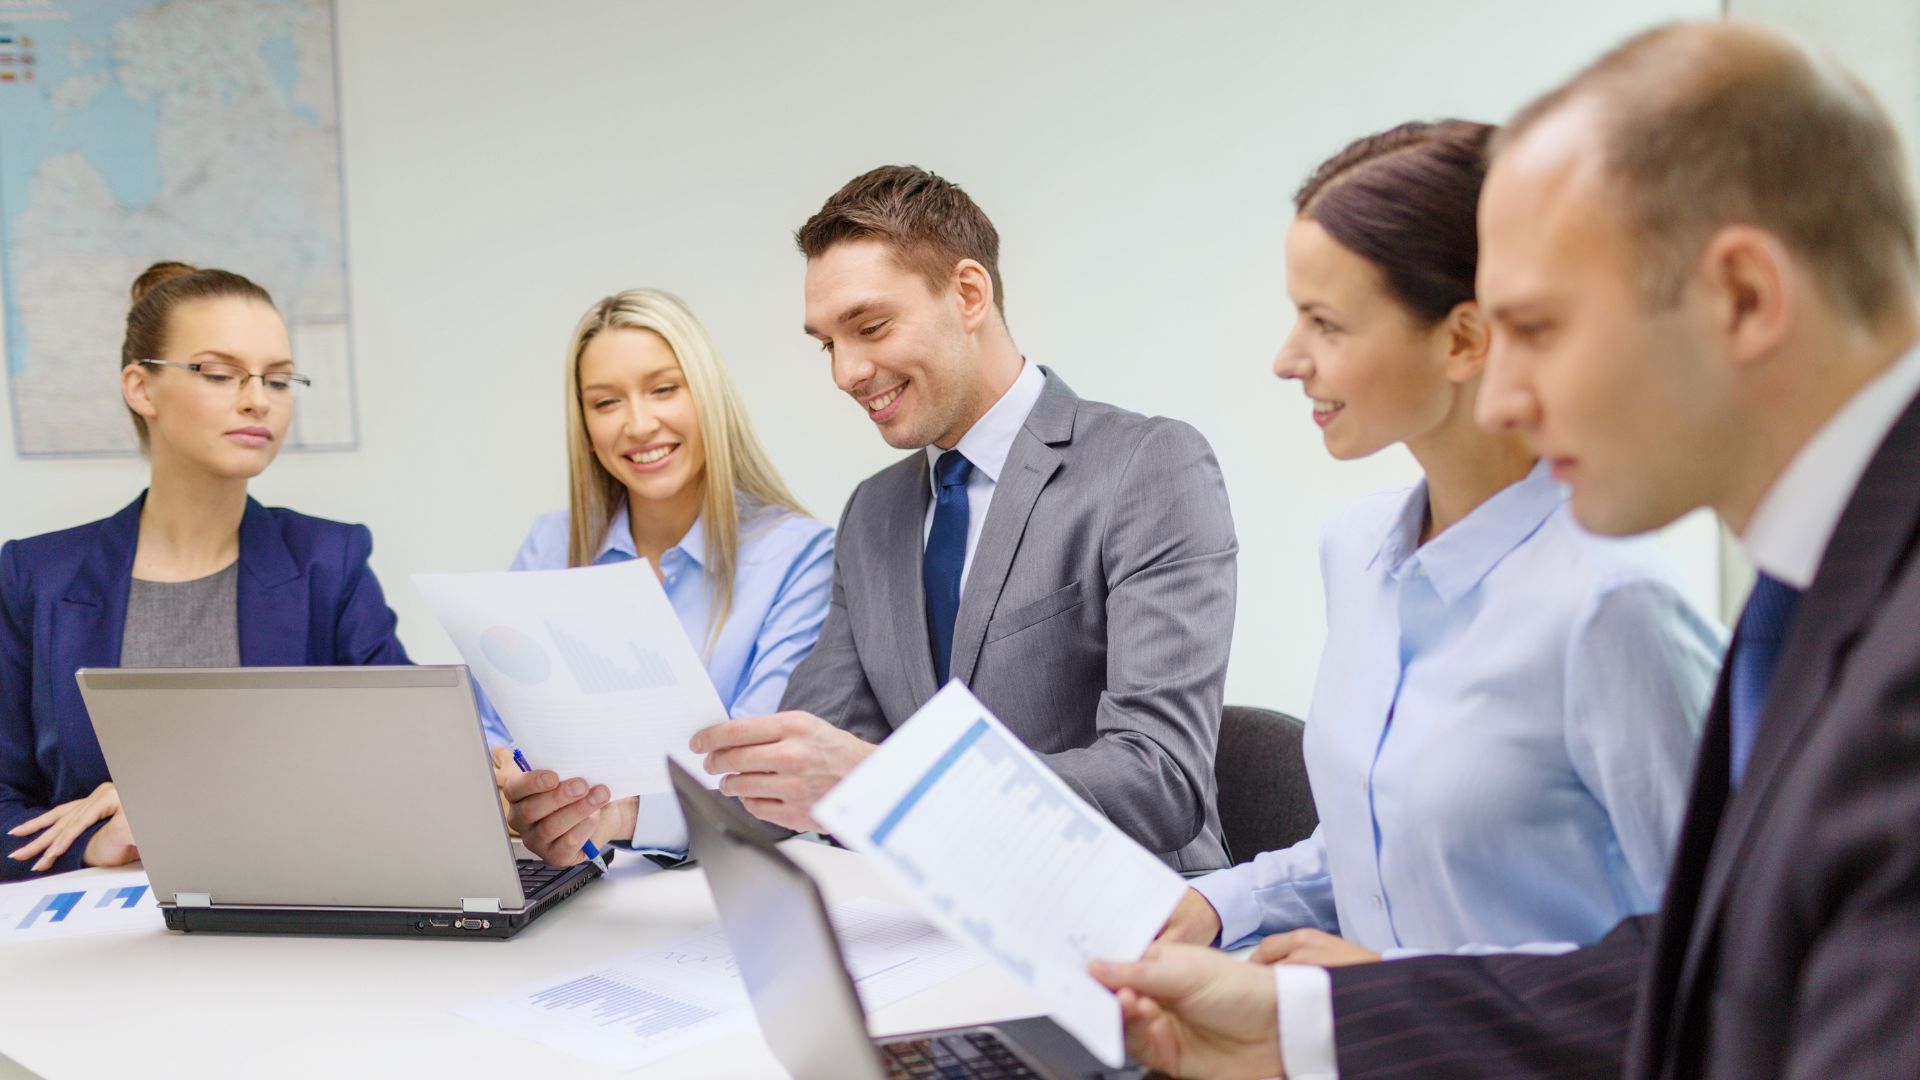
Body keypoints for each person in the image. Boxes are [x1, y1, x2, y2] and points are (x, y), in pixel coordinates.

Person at [1092, 21, 1920, 1079]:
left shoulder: (1692, 606)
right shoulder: (1816, 590)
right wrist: (1322, 1020)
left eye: (1540, 329)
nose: (1506, 397)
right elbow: (1715, 969)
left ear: (1745, 298)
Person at [508, 165, 1240, 869]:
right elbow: (791, 773)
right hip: (933, 919)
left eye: (871, 326)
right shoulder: (874, 513)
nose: (846, 372)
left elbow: (1159, 780)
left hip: (1138, 920)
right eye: (829, 343)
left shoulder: (1146, 466)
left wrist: (885, 778)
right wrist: (620, 816)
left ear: (969, 294)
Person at [1160, 120, 1723, 963]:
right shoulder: (1357, 549)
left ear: (1463, 340)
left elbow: (1718, 952)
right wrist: (1215, 902)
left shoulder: (1613, 602)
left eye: (1325, 323)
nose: (1287, 359)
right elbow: (1382, 845)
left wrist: (1385, 992)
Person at [1, 262, 409, 880]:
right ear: (141, 388)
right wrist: (92, 842)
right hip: (101, 923)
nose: (258, 400)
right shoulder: (37, 575)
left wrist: (173, 802)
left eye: (278, 380)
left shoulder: (329, 561)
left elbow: (403, 769)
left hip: (285, 905)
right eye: (219, 374)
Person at [490, 289, 833, 865]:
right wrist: (510, 788)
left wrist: (619, 814)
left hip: (715, 881)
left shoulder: (800, 558)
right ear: (585, 425)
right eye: (606, 402)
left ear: (708, 397)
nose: (639, 424)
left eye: (664, 389)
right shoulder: (548, 546)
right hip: (559, 879)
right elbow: (493, 729)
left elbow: (759, 772)